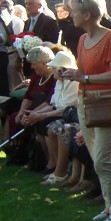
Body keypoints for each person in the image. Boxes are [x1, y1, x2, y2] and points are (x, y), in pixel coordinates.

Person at [61, 0, 111, 221]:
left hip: (106, 105)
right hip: (86, 103)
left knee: (103, 161)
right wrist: (71, 74)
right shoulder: (81, 40)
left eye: (74, 11)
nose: (71, 15)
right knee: (97, 158)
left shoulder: (110, 38)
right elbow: (82, 71)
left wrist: (84, 78)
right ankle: (110, 208)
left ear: (87, 14)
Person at [26, 49, 79, 183]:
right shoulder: (60, 82)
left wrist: (41, 116)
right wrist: (38, 114)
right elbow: (54, 103)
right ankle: (55, 164)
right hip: (63, 115)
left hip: (75, 117)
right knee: (49, 126)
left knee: (55, 127)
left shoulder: (73, 83)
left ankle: (60, 170)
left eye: (55, 67)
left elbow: (65, 109)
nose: (52, 69)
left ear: (62, 69)